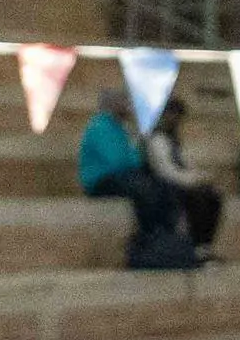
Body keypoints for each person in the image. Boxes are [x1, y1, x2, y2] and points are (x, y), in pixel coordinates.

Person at [75, 92, 187, 268]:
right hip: (101, 179)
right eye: (123, 101)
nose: (128, 105)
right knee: (143, 189)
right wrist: (133, 156)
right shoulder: (100, 126)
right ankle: (149, 236)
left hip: (124, 175)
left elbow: (135, 157)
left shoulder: (123, 128)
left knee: (163, 187)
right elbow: (118, 160)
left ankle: (168, 238)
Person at [144, 97, 223, 257]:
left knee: (213, 196)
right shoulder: (156, 139)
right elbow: (165, 171)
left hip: (178, 181)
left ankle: (204, 246)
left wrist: (200, 177)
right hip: (162, 185)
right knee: (198, 198)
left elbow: (184, 164)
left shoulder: (173, 139)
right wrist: (194, 180)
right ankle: (195, 246)